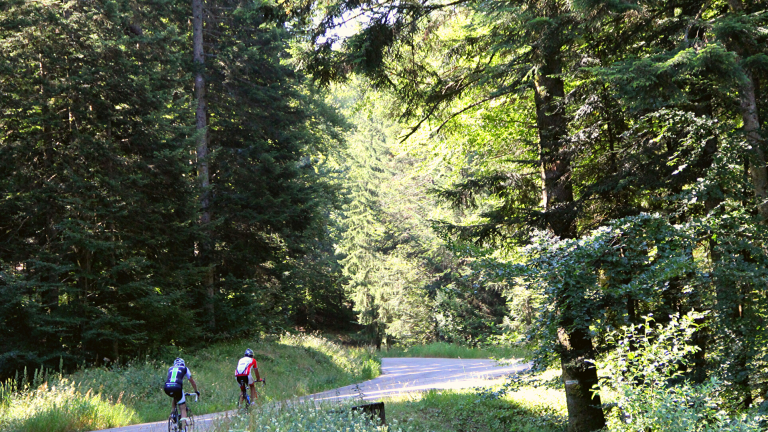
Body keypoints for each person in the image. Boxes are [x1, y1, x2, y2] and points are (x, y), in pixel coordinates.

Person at [164, 358, 199, 425]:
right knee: (183, 408)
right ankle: (183, 429)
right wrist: (196, 391)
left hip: (167, 387)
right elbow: (192, 381)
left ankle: (173, 413)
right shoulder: (185, 368)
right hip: (177, 387)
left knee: (175, 396)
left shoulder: (170, 368)